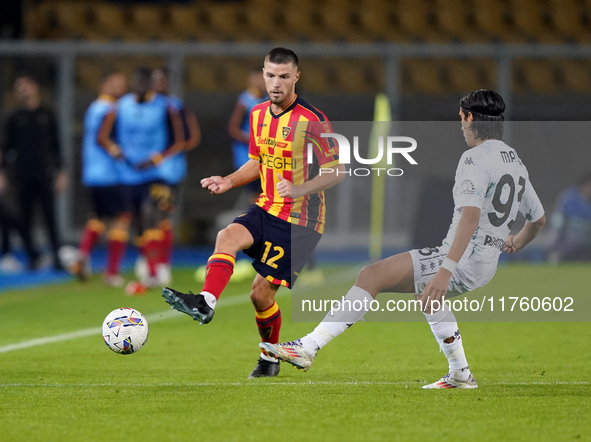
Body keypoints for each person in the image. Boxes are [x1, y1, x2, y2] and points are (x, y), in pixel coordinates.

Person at [260, 89, 546, 389]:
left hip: (462, 258)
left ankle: (308, 347)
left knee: (372, 275)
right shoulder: (515, 161)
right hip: (486, 263)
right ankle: (460, 374)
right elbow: (537, 220)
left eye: (461, 119)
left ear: (470, 118)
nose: (461, 127)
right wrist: (515, 242)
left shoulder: (474, 159)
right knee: (431, 300)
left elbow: (470, 217)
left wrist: (446, 270)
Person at [162, 47, 345, 378]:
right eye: (271, 75)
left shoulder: (313, 120)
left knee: (260, 294)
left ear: (296, 77)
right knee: (227, 235)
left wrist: (301, 188)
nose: (276, 83)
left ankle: (269, 358)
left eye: (284, 77)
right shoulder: (258, 113)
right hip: (266, 206)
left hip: (300, 221)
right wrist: (228, 181)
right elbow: (258, 161)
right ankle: (206, 301)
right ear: (263, 75)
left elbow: (337, 170)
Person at [98, 67, 185, 290]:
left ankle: (156, 270)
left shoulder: (166, 107)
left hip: (155, 174)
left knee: (151, 215)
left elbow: (180, 139)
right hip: (128, 174)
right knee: (137, 223)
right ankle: (150, 266)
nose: (140, 86)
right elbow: (102, 136)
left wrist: (157, 159)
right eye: (136, 82)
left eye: (144, 83)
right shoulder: (120, 106)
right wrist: (113, 148)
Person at [1, 75, 68, 271]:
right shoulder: (14, 118)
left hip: (44, 174)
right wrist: (3, 173)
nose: (24, 91)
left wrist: (61, 172)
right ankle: (32, 257)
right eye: (19, 87)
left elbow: (56, 146)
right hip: (22, 175)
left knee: (50, 218)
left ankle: (57, 257)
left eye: (26, 86)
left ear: (35, 88)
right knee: (24, 218)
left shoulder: (47, 114)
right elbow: (6, 148)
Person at [70, 71, 130, 286]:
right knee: (122, 218)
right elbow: (102, 138)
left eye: (122, 84)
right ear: (102, 85)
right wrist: (119, 152)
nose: (120, 89)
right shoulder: (110, 109)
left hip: (92, 173)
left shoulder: (93, 108)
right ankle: (112, 272)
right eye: (114, 83)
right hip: (110, 173)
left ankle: (82, 256)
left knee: (97, 217)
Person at [142, 67, 201, 284]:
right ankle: (151, 262)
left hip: (167, 171)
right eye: (154, 79)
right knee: (146, 217)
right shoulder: (140, 106)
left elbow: (191, 137)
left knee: (158, 216)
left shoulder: (175, 106)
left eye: (162, 80)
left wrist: (162, 156)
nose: (158, 83)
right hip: (141, 172)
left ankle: (160, 265)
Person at [228, 69, 266, 204]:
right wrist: (251, 141)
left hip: (265, 151)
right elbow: (233, 128)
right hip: (247, 152)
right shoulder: (245, 100)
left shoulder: (268, 100)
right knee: (255, 191)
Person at [546, 171, 591, 262]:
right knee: (573, 238)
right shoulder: (569, 199)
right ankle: (556, 256)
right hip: (571, 238)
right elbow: (557, 223)